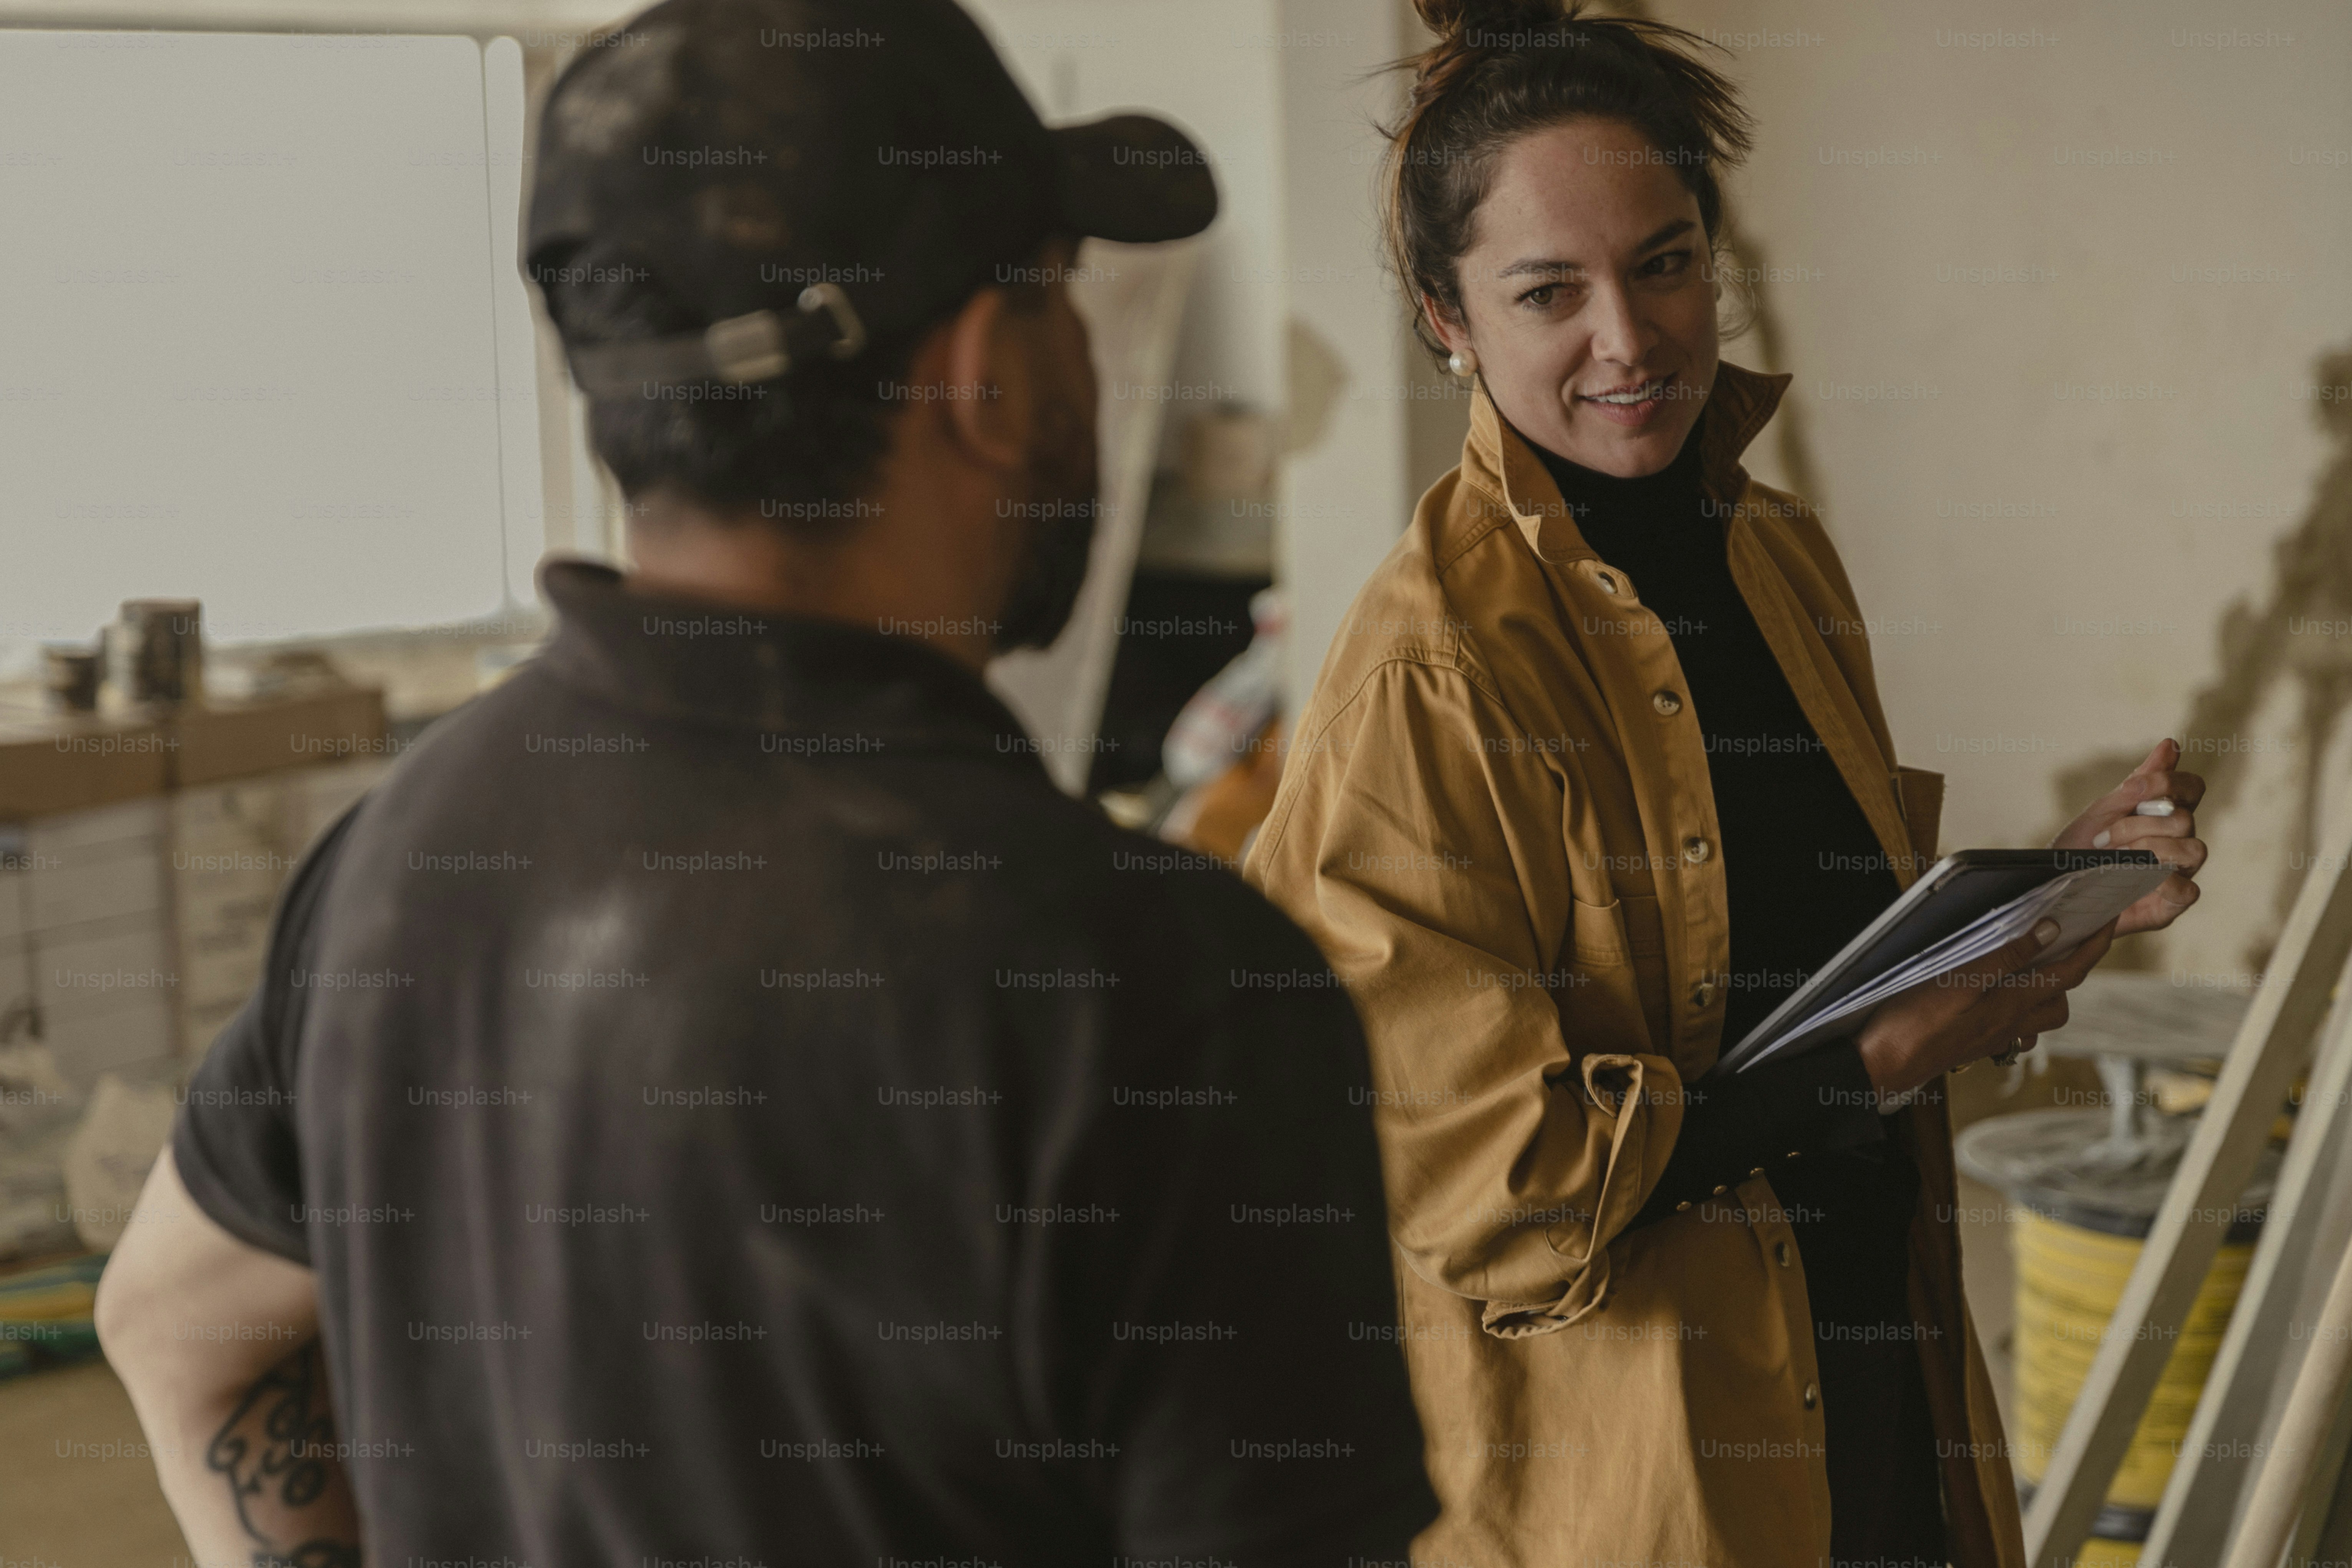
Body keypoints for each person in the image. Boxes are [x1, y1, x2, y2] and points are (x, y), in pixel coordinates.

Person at [94, 2, 1440, 1563]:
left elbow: (178, 1323)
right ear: (986, 376)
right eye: (1059, 292)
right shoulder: (1150, 989)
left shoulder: (403, 853)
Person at [1244, 4, 2208, 1567]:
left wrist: (2026, 901)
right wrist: (1880, 1062)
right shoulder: (1429, 676)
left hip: (1870, 1369)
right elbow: (1489, 1180)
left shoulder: (1774, 552)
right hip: (1638, 1478)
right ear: (1446, 316)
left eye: (1665, 261)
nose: (1628, 339)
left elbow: (1778, 956)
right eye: (1548, 292)